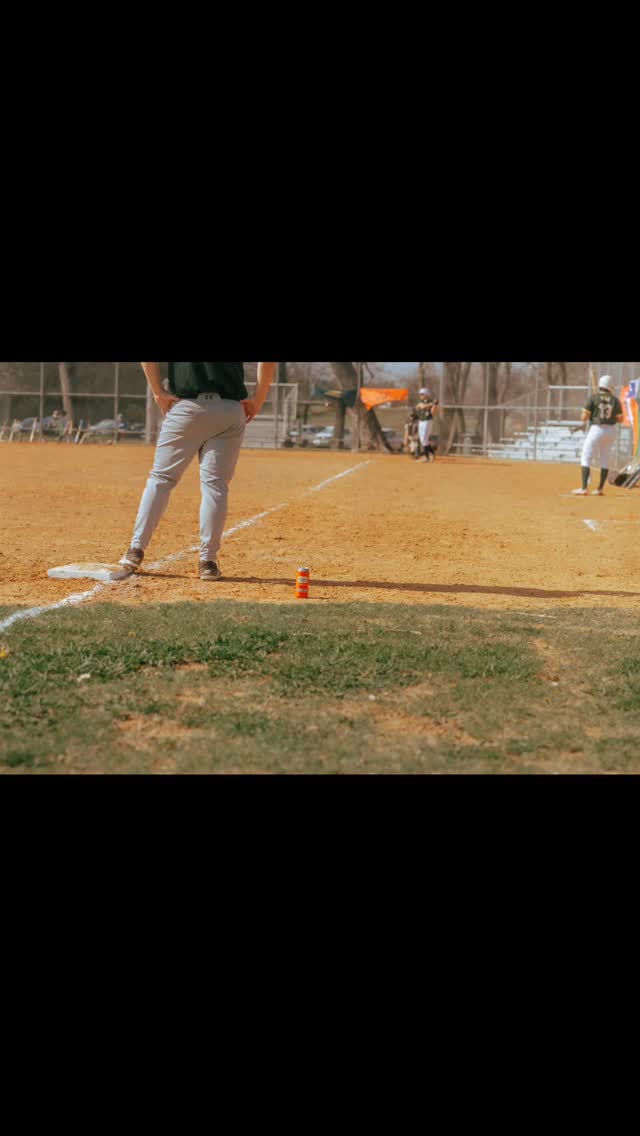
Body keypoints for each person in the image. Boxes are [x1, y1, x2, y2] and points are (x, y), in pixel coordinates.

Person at [120, 362, 277, 580]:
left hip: (186, 407)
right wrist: (259, 398)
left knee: (161, 480)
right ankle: (208, 562)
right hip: (229, 410)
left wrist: (158, 392)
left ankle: (135, 551)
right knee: (215, 486)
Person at [572, 375, 624, 496]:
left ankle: (584, 488)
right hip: (611, 431)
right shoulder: (615, 400)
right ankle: (599, 489)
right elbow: (620, 419)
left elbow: (583, 417)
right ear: (609, 386)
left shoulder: (594, 398)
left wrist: (589, 413)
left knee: (586, 456)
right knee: (604, 458)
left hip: (597, 429)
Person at [411, 388, 440, 462]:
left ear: (427, 394)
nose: (420, 395)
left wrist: (434, 405)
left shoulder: (431, 402)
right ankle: (432, 454)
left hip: (427, 421)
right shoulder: (421, 402)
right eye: (420, 394)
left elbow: (433, 413)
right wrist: (428, 405)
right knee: (423, 440)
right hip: (421, 421)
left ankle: (426, 457)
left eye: (422, 394)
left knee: (424, 439)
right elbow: (419, 407)